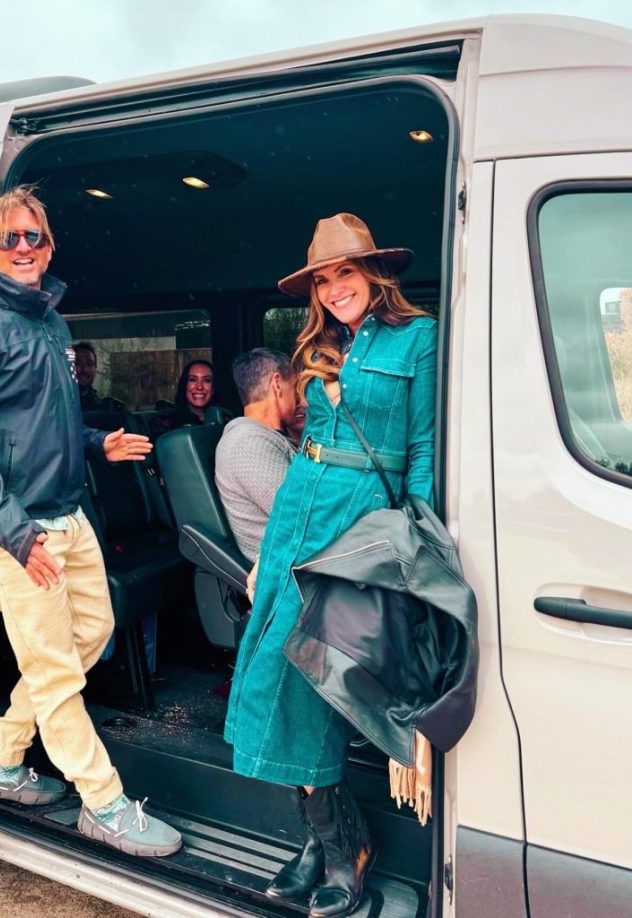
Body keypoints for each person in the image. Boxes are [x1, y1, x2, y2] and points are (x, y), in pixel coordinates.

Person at [0, 185, 181, 858]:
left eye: (34, 236)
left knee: (90, 636)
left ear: (49, 247)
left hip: (69, 514)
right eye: (9, 237)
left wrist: (99, 445)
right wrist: (17, 534)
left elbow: (48, 422)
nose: (23, 247)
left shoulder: (50, 324)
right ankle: (105, 804)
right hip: (14, 530)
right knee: (56, 671)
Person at [224, 213, 437, 917]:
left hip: (359, 525)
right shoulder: (316, 347)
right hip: (297, 515)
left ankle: (343, 847)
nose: (335, 288)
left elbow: (422, 452)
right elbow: (308, 442)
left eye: (345, 273)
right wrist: (269, 550)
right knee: (276, 674)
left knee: (316, 680)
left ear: (374, 274)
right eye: (323, 280)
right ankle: (326, 840)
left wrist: (415, 540)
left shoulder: (418, 338)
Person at [215, 348, 298, 563]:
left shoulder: (267, 436)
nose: (300, 397)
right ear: (277, 383)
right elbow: (301, 514)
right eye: (295, 386)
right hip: (291, 568)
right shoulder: (248, 443)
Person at [73, 341, 103, 411]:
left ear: (95, 369)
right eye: (78, 363)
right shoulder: (57, 405)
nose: (85, 369)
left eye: (90, 364)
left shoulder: (102, 408)